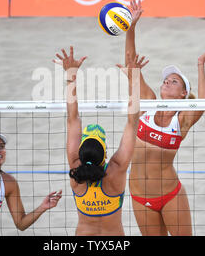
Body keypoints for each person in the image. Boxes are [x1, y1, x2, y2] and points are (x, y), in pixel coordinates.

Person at [125, 0, 205, 236]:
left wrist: (200, 64)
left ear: (183, 94)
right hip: (139, 196)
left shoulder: (182, 121)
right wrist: (131, 28)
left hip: (170, 195)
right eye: (166, 79)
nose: (167, 81)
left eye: (174, 81)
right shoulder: (147, 104)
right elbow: (130, 64)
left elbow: (204, 103)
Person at [53, 45, 143, 235]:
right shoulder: (116, 170)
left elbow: (73, 118)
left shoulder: (75, 172)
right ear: (106, 154)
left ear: (80, 151)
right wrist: (133, 80)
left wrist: (71, 76)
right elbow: (132, 121)